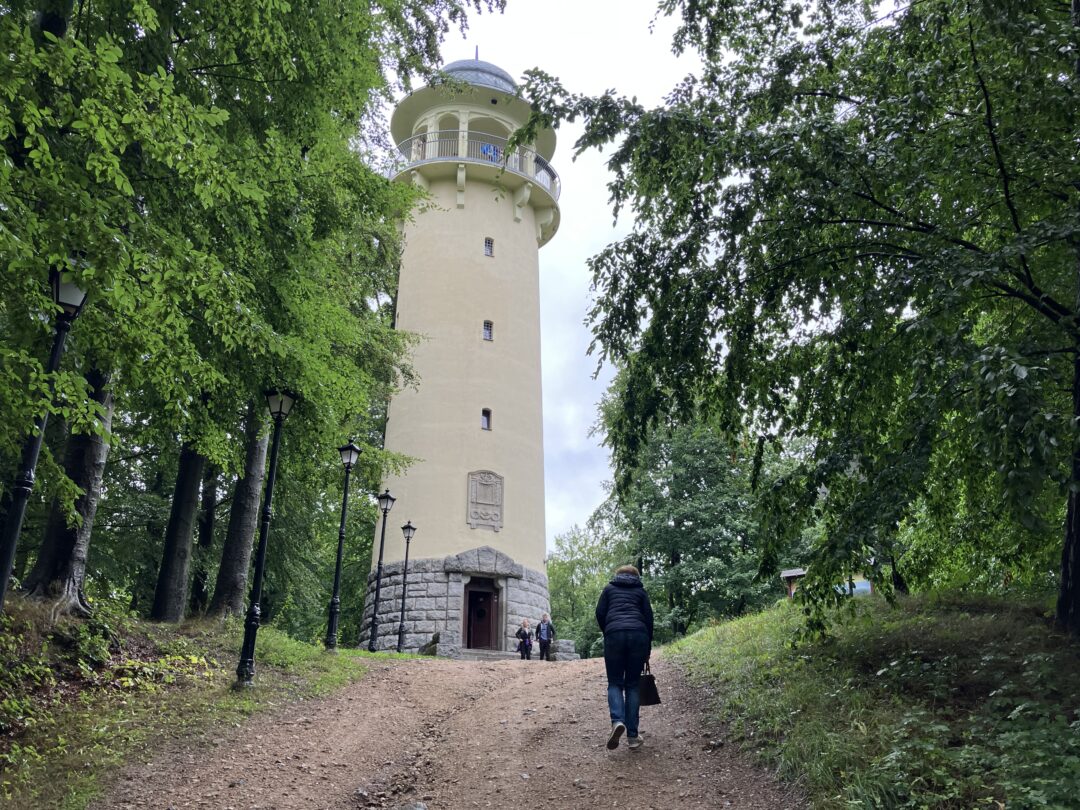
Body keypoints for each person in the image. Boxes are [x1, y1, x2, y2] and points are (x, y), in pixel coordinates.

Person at [595, 564, 653, 751]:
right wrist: (647, 647)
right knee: (633, 685)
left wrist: (609, 630)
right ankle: (633, 737)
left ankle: (617, 722)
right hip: (639, 636)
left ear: (618, 575)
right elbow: (649, 619)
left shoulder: (609, 589)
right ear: (636, 577)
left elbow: (600, 613)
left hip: (614, 636)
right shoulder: (640, 591)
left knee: (615, 683)